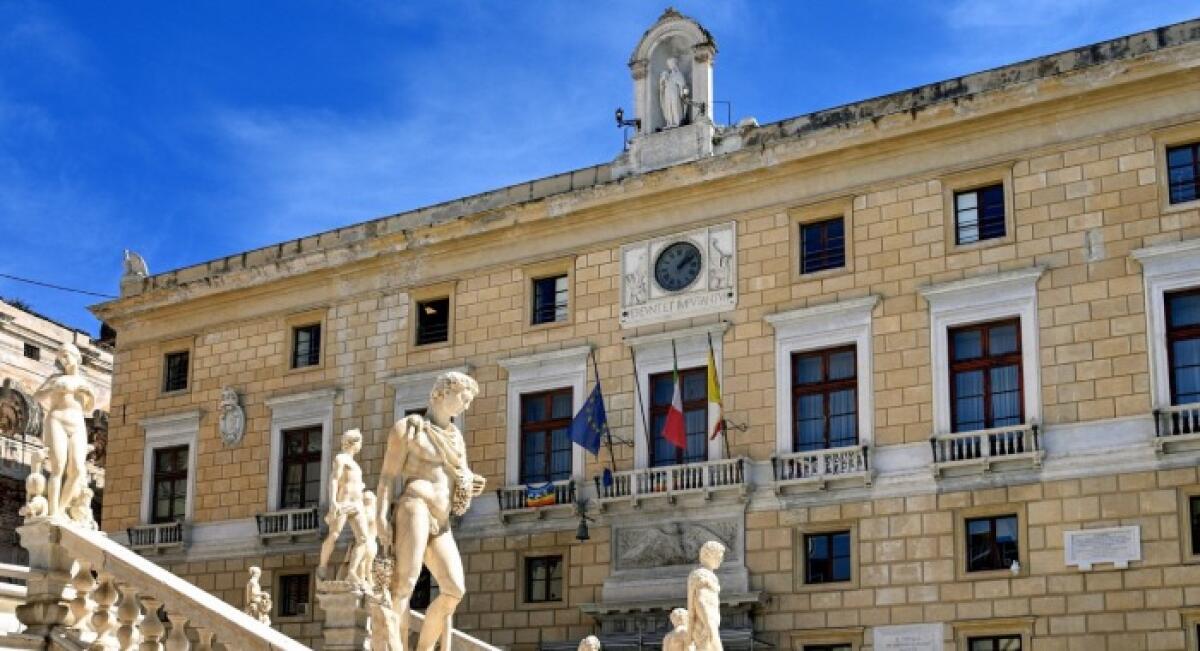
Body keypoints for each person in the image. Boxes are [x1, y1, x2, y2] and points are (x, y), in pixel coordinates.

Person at [376, 371, 486, 651]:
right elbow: (388, 476)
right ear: (443, 392)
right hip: (415, 506)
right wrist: (379, 516)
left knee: (454, 589)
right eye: (464, 397)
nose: (467, 405)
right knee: (404, 585)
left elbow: (458, 475)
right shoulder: (408, 429)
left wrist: (471, 482)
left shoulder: (456, 438)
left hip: (442, 519)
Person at [34, 343, 94, 520]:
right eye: (61, 358)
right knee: (58, 466)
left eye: (66, 356)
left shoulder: (84, 382)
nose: (64, 361)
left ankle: (61, 508)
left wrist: (89, 395)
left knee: (76, 469)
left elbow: (89, 409)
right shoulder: (55, 378)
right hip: (57, 420)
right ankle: (53, 511)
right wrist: (53, 388)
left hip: (77, 423)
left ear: (77, 357)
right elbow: (37, 397)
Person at [318, 429, 371, 587]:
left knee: (364, 539)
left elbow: (354, 483)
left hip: (357, 504)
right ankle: (322, 566)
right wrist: (333, 501)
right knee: (334, 535)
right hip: (344, 502)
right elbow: (334, 480)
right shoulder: (340, 459)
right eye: (360, 442)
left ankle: (352, 571)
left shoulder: (356, 465)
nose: (361, 445)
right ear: (354, 442)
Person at [688, 541, 725, 651]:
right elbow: (700, 601)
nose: (721, 560)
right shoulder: (702, 575)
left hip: (707, 623)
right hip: (705, 624)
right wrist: (708, 625)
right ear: (709, 555)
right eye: (719, 556)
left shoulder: (707, 575)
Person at [658, 57, 689, 129]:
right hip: (667, 93)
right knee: (669, 107)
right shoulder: (667, 75)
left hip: (675, 92)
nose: (670, 65)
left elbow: (683, 84)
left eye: (671, 64)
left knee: (675, 105)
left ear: (675, 64)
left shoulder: (678, 74)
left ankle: (677, 121)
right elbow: (662, 87)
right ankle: (670, 123)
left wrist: (683, 93)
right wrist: (662, 81)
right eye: (669, 64)